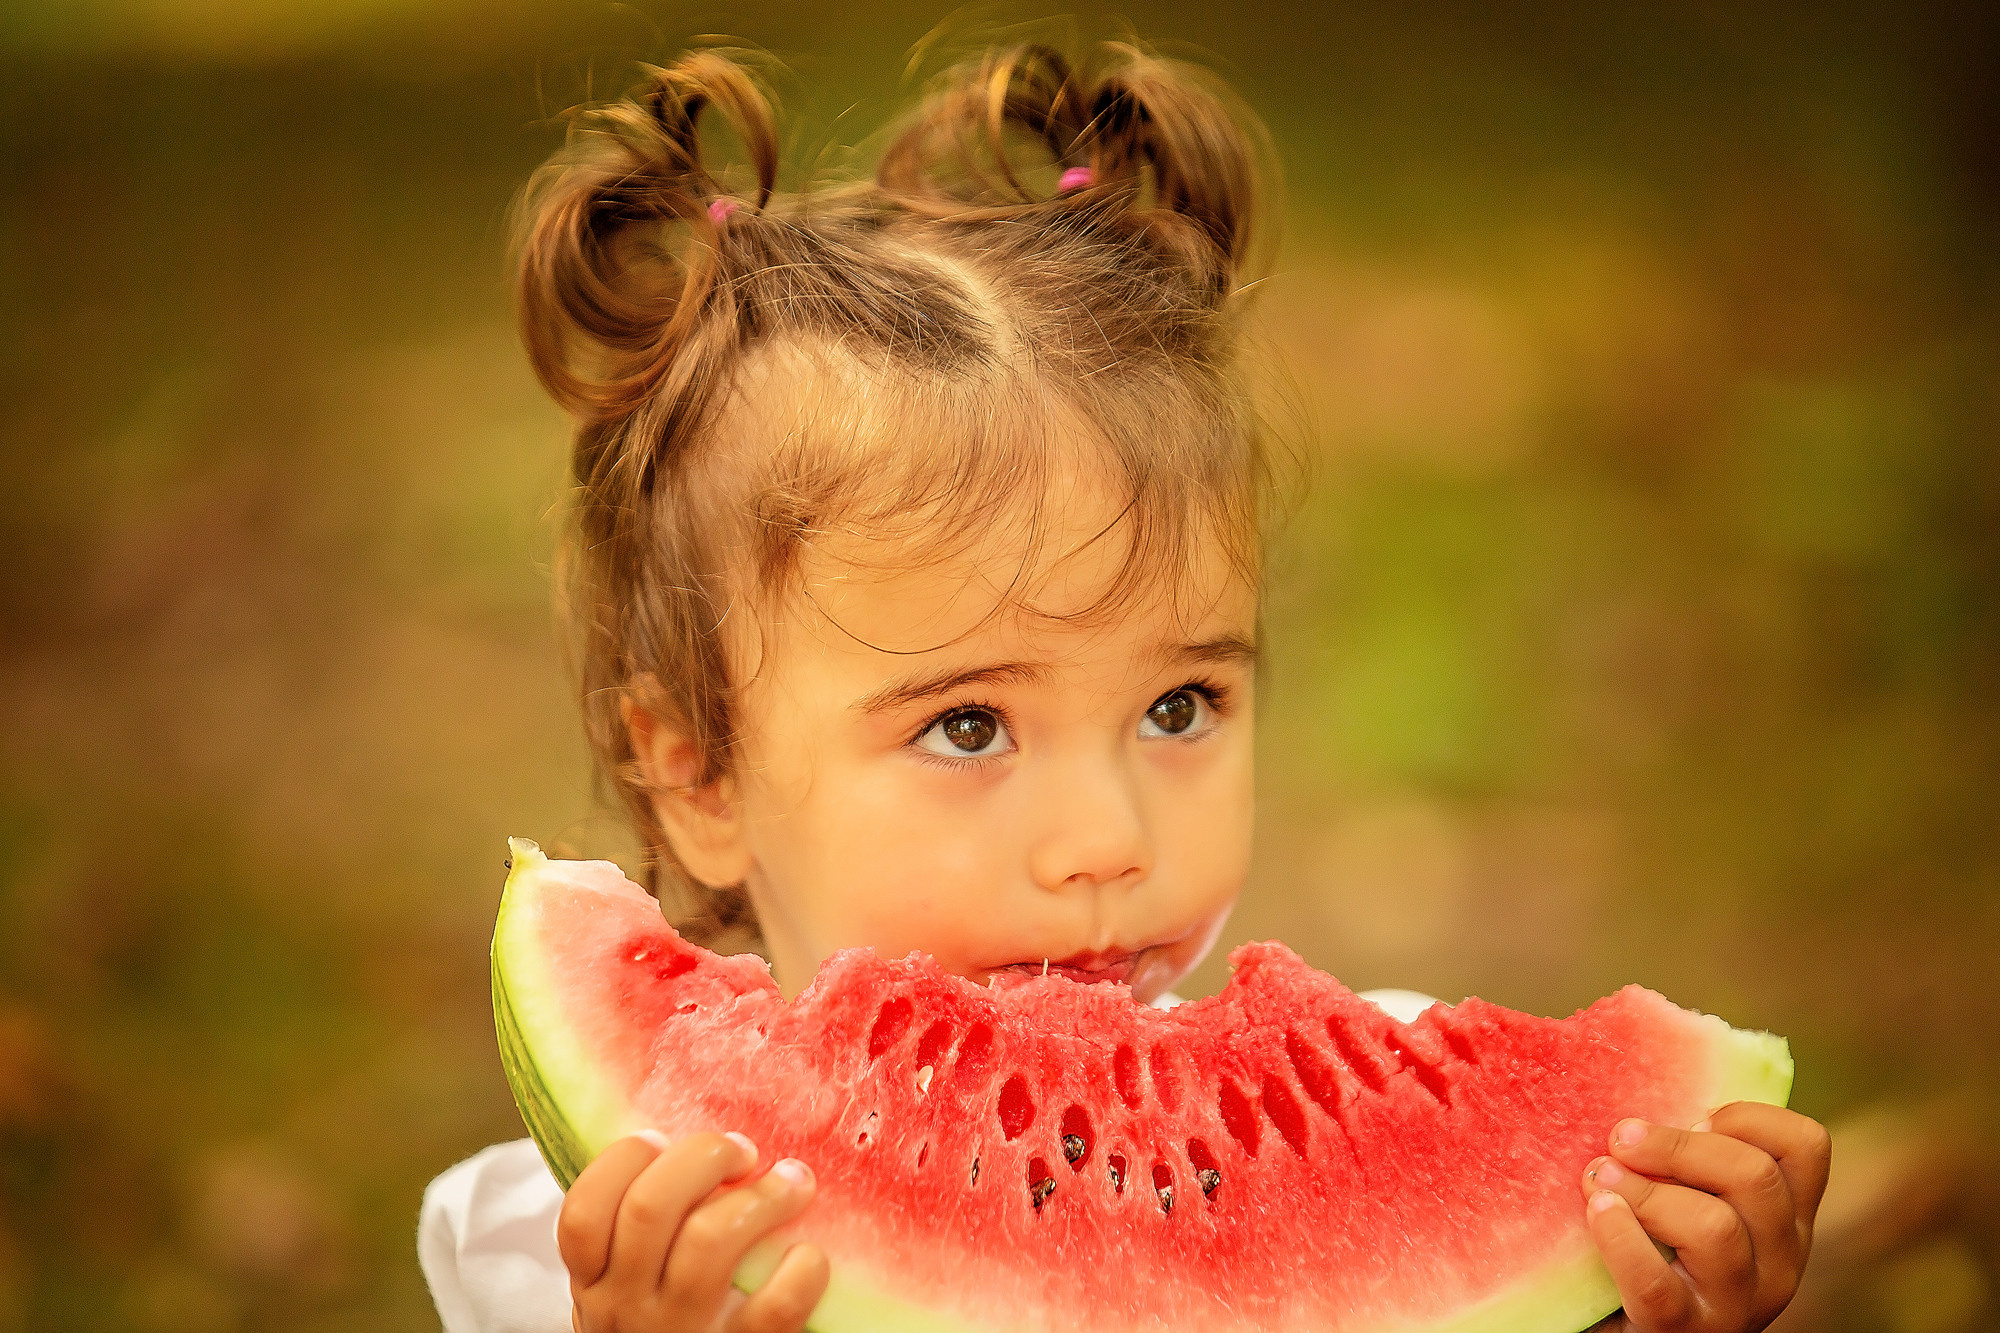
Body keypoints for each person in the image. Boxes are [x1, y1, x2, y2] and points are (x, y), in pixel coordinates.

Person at [419, 42, 1831, 1333]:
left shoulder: (1370, 1110)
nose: (1107, 842)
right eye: (968, 725)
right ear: (700, 773)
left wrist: (1627, 1309)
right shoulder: (589, 1244)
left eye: (1178, 709)